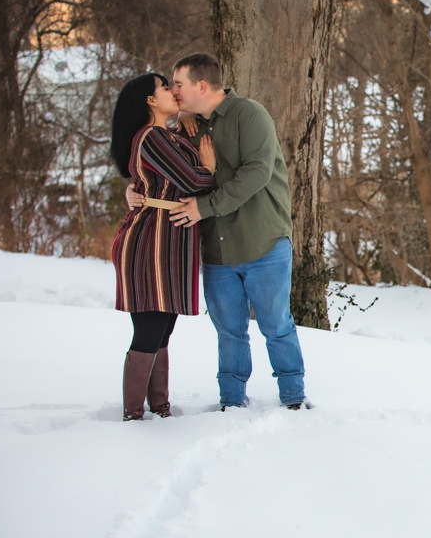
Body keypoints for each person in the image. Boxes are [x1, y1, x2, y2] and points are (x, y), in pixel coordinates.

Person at [130, 53, 307, 410]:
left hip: (263, 242)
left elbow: (256, 174)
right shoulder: (186, 127)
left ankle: (293, 398)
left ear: (201, 86)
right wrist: (134, 189)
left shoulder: (250, 115)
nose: (174, 91)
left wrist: (204, 207)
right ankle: (231, 401)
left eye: (177, 85)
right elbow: (159, 166)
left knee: (276, 326)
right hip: (217, 249)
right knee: (229, 332)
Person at [111, 73, 217, 421]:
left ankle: (160, 407)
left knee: (163, 328)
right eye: (164, 87)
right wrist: (210, 171)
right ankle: (133, 415)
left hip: (172, 240)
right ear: (150, 100)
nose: (173, 91)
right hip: (151, 241)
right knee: (150, 327)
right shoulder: (151, 136)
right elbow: (191, 179)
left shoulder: (167, 135)